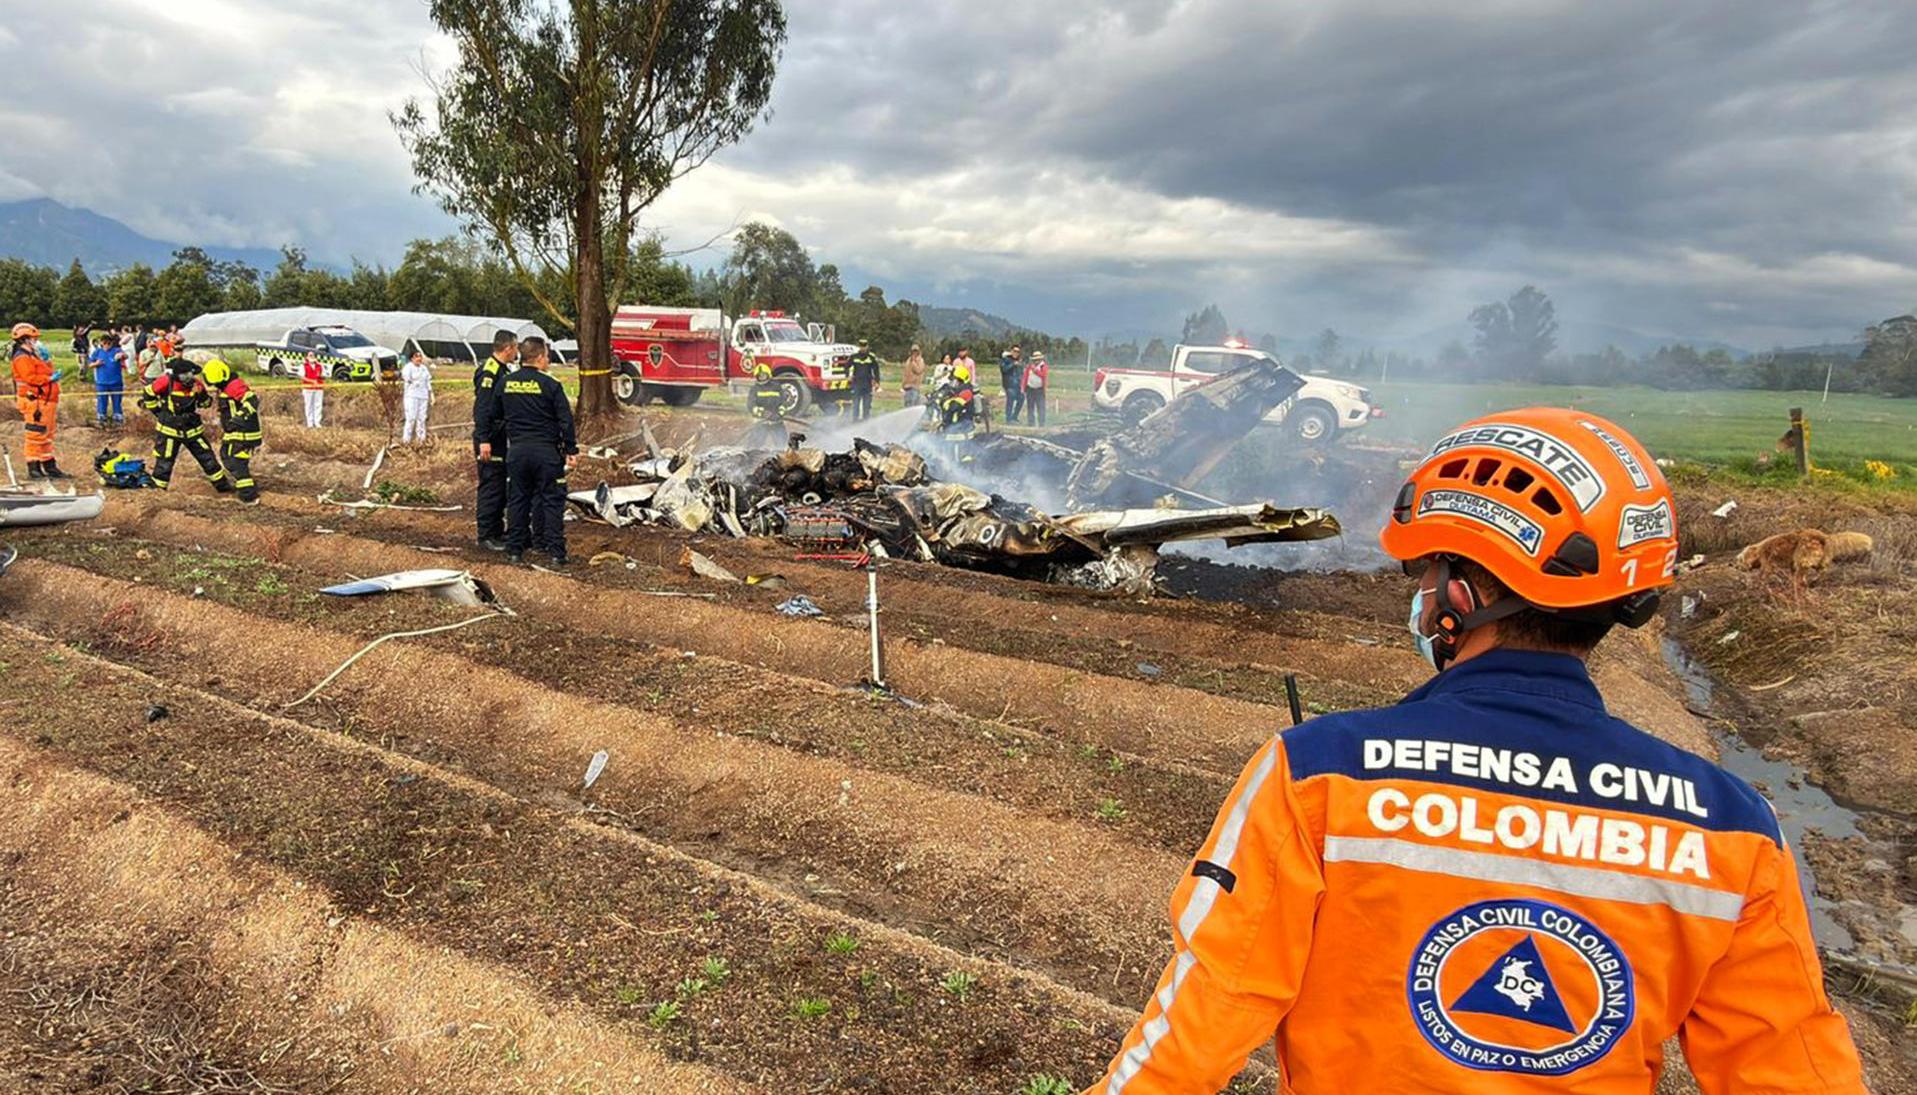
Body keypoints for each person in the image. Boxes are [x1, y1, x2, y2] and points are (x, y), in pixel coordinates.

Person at [1088, 407, 1866, 1095]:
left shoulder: (1317, 774)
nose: (1420, 594)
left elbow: (1197, 1028)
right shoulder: (1730, 826)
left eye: (1427, 569)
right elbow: (1793, 1068)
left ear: (1460, 595)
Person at [475, 336, 575, 566]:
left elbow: (492, 414)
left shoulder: (506, 382)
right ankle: (556, 553)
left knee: (518, 500)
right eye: (547, 356)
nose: (548, 360)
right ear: (540, 357)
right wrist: (571, 449)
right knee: (552, 499)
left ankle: (514, 551)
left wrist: (487, 436)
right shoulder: (551, 384)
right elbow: (566, 420)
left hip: (517, 452)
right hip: (546, 452)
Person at [138, 356, 230, 494]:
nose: (188, 377)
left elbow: (206, 404)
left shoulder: (197, 384)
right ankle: (157, 492)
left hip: (192, 429)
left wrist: (201, 395)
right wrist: (159, 412)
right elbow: (148, 394)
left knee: (207, 457)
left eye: (190, 374)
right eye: (184, 375)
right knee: (165, 462)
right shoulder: (165, 382)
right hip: (169, 431)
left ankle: (223, 487)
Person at [471, 329, 519, 551]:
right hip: (489, 439)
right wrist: (484, 439)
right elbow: (482, 410)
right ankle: (486, 535)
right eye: (516, 348)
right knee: (491, 486)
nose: (517, 352)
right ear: (508, 348)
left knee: (500, 485)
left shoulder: (502, 370)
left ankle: (497, 531)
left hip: (499, 437)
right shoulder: (490, 373)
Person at [10, 323, 69, 478]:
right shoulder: (22, 357)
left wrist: (47, 361)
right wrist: (49, 378)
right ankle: (33, 466)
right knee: (35, 434)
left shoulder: (32, 355)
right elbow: (30, 377)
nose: (36, 341)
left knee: (46, 434)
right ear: (24, 339)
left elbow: (45, 371)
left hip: (45, 400)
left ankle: (48, 465)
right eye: (33, 338)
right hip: (34, 401)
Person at [200, 358, 261, 504]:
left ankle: (249, 496)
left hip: (242, 432)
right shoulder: (227, 386)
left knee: (234, 461)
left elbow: (252, 400)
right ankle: (246, 487)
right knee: (227, 455)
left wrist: (238, 419)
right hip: (234, 432)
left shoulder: (234, 386)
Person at [89, 330, 128, 427]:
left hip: (116, 382)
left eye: (109, 343)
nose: (107, 345)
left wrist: (121, 356)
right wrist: (96, 364)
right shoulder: (97, 352)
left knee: (117, 401)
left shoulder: (116, 350)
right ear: (101, 343)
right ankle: (102, 418)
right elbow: (89, 364)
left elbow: (126, 356)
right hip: (102, 382)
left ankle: (117, 418)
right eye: (104, 343)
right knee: (102, 401)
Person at [400, 350, 434, 445]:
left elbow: (428, 382)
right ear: (412, 358)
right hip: (411, 396)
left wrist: (431, 395)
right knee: (411, 418)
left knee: (422, 418)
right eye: (416, 356)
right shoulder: (408, 368)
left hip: (423, 396)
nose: (419, 358)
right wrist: (415, 383)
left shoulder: (424, 369)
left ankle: (421, 440)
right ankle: (406, 440)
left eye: (420, 356)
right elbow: (407, 379)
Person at [847, 338, 882, 422]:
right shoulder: (854, 357)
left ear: (867, 346)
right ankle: (855, 422)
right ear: (859, 347)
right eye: (861, 346)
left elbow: (876, 370)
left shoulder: (871, 357)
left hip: (867, 385)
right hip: (856, 384)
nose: (863, 348)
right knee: (856, 405)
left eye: (864, 346)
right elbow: (846, 367)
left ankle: (866, 422)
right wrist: (848, 375)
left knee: (866, 405)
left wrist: (877, 382)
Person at [998, 344, 1024, 424]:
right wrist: (1013, 364)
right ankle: (1008, 419)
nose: (1016, 353)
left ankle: (1014, 417)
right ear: (1011, 351)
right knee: (1010, 400)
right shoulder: (1005, 360)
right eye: (1015, 351)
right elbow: (1003, 370)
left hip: (1018, 385)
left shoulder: (1020, 361)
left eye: (1018, 351)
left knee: (1021, 398)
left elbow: (1021, 373)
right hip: (1009, 385)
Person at [1022, 350, 1048, 426]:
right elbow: (1025, 377)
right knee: (1030, 407)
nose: (1036, 361)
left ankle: (1041, 424)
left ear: (1041, 359)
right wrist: (1023, 388)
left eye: (1038, 359)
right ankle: (1031, 423)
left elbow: (1044, 375)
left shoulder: (1044, 366)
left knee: (1041, 407)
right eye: (1035, 359)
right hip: (1030, 388)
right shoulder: (1029, 367)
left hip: (1039, 389)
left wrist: (1035, 371)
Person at [300, 351, 325, 427]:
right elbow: (302, 376)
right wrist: (312, 381)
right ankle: (310, 423)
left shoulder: (320, 366)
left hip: (318, 388)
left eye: (313, 355)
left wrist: (320, 376)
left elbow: (324, 375)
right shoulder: (304, 366)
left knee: (318, 405)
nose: (312, 356)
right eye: (310, 355)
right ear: (307, 357)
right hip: (308, 388)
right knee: (309, 405)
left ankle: (317, 422)